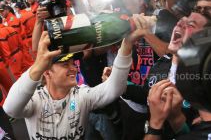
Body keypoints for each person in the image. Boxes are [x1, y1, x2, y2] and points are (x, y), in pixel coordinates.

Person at [3, 31, 132, 139]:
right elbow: (10, 108)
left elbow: (115, 88)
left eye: (73, 64)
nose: (74, 69)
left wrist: (127, 44)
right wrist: (38, 66)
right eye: (65, 64)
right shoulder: (35, 99)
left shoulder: (81, 95)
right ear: (47, 72)